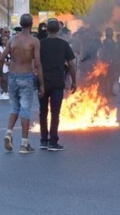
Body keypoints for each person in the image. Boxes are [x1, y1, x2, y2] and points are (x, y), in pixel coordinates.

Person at [0, 14, 45, 154]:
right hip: (26, 76)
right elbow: (37, 64)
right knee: (25, 109)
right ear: (32, 24)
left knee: (15, 107)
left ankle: (8, 132)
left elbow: (1, 58)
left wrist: (1, 76)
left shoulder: (13, 39)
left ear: (20, 23)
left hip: (13, 75)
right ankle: (24, 143)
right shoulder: (34, 41)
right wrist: (42, 84)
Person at [39, 18, 77, 151]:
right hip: (57, 83)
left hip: (42, 82)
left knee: (43, 112)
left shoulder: (40, 44)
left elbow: (35, 63)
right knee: (55, 113)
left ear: (47, 30)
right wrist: (74, 81)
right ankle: (53, 141)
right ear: (59, 30)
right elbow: (72, 64)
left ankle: (44, 140)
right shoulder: (64, 44)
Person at [0, 35, 11, 100]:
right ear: (2, 41)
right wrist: (6, 63)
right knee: (4, 79)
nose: (5, 41)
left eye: (6, 40)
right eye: (4, 40)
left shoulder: (11, 47)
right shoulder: (0, 49)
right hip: (3, 66)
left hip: (10, 66)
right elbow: (0, 58)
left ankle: (6, 91)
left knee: (8, 80)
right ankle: (3, 92)